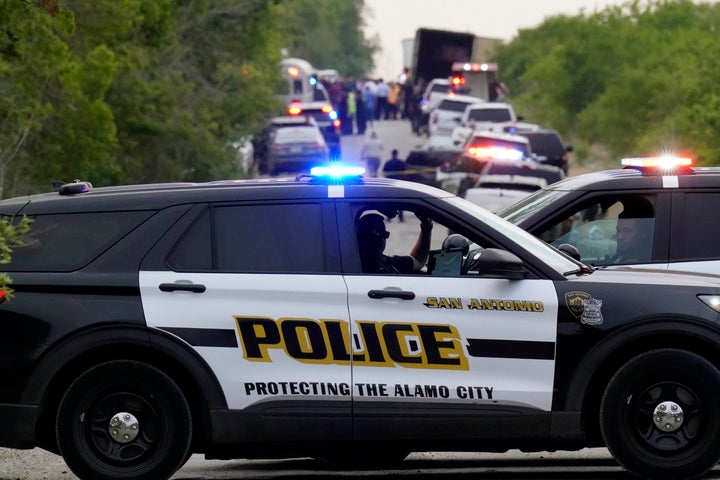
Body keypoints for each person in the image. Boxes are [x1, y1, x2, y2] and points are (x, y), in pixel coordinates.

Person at [356, 212, 433, 274]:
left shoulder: (384, 261)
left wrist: (426, 227)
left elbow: (418, 260)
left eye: (385, 234)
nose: (382, 239)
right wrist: (427, 227)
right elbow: (418, 260)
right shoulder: (373, 265)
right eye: (382, 234)